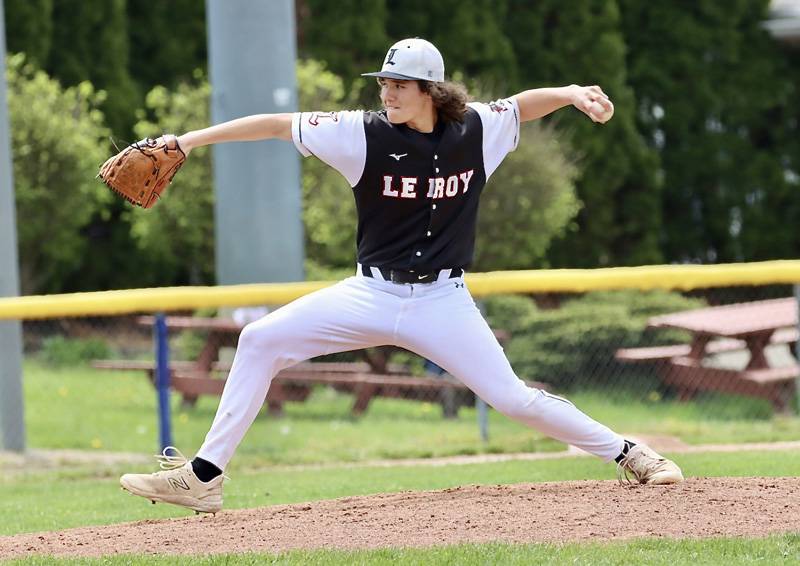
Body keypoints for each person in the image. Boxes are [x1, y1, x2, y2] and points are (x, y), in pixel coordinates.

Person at [120, 38, 683, 514]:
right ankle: (204, 477)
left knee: (513, 398)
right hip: (369, 292)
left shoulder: (477, 130)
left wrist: (570, 95)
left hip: (443, 300)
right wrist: (186, 142)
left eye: (399, 84)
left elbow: (521, 106)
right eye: (384, 82)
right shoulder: (360, 133)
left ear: (431, 91)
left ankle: (632, 454)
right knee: (259, 339)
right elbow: (273, 124)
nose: (386, 92)